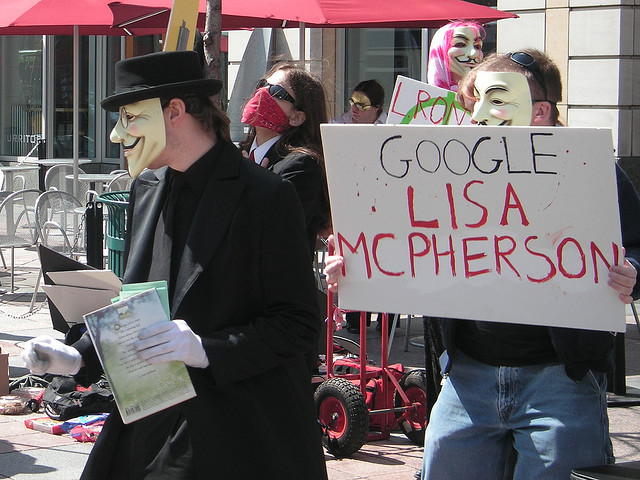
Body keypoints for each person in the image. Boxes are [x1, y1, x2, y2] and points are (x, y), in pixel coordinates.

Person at [325, 49, 640, 479]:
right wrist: (356, 265)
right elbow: (403, 236)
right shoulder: (448, 171)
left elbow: (637, 246)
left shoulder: (592, 169)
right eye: (471, 104)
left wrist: (631, 272)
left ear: (541, 111)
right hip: (467, 379)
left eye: (495, 101)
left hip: (559, 382)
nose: (476, 117)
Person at [21, 50, 328, 480]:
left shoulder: (266, 197)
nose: (116, 134)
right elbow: (139, 302)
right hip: (155, 422)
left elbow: (298, 323)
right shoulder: (147, 186)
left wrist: (206, 350)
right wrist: (79, 356)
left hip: (240, 431)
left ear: (175, 111)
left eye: (129, 117)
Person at [239, 61, 331, 259]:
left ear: (297, 117)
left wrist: (249, 182)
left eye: (276, 92)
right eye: (262, 85)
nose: (262, 93)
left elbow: (273, 233)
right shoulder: (236, 156)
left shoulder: (303, 165)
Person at [426, 20, 485, 91]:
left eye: (477, 46)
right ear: (440, 51)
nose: (473, 53)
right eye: (460, 44)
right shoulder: (424, 98)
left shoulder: (486, 94)